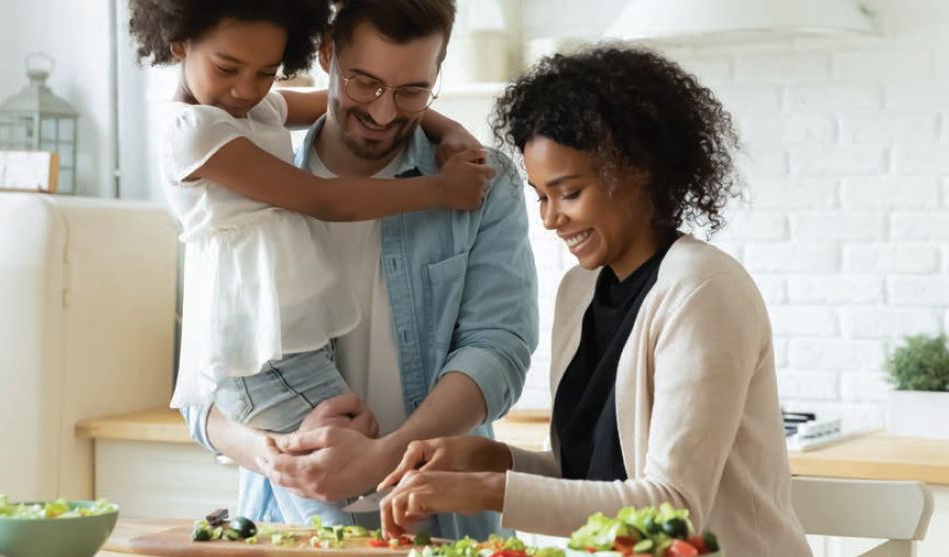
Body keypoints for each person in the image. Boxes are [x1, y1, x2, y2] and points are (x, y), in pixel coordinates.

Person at [374, 45, 813, 556]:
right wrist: (487, 458)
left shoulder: (702, 291)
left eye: (569, 191)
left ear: (638, 169)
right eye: (541, 195)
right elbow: (586, 479)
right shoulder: (580, 291)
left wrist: (488, 490)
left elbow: (672, 508)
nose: (550, 218)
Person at [178, 0, 538, 538]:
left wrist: (382, 458)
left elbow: (499, 350)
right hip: (285, 518)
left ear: (438, 73)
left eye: (412, 90)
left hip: (451, 526)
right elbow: (207, 386)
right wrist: (276, 457)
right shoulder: (242, 178)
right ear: (327, 56)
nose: (384, 113)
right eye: (364, 83)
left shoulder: (483, 183)